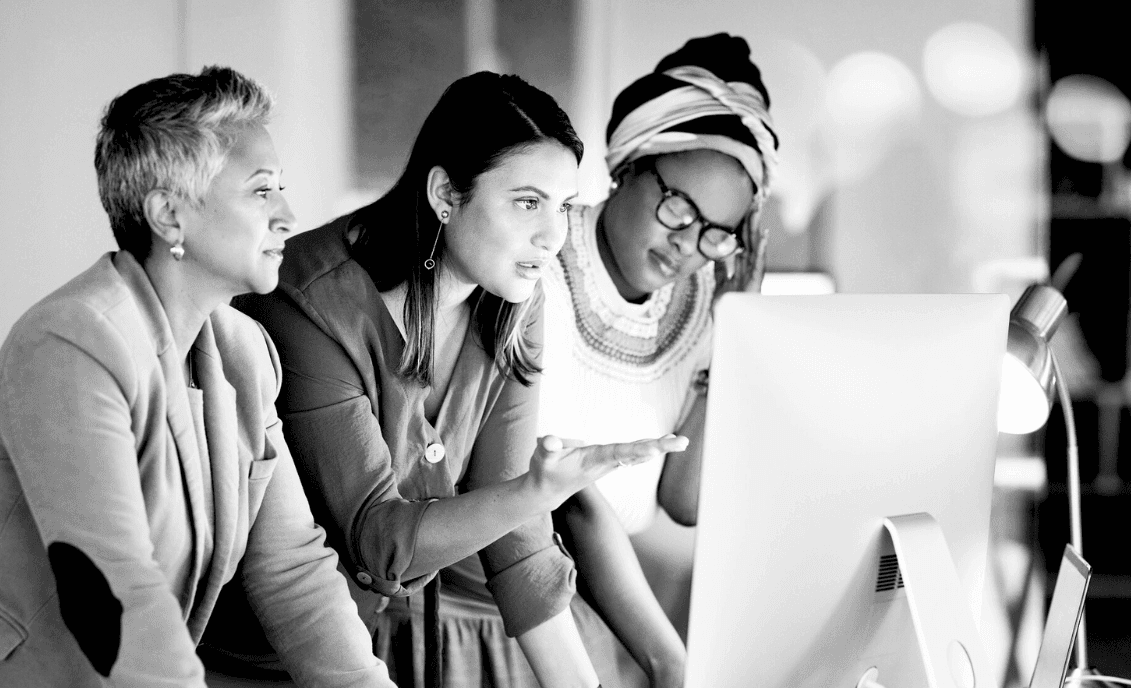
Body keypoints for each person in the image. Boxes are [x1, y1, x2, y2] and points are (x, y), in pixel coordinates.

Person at [0, 66, 393, 687]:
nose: (287, 215)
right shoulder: (72, 341)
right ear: (170, 216)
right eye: (261, 192)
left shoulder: (246, 351)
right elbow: (114, 587)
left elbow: (291, 568)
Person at [223, 71, 686, 688]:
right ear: (445, 193)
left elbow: (518, 544)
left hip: (365, 646)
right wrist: (536, 491)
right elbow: (379, 542)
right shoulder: (308, 304)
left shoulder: (514, 301)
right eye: (528, 202)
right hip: (254, 661)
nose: (553, 236)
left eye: (563, 206)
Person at [537, 33, 779, 687]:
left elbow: (685, 500)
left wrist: (735, 338)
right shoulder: (538, 259)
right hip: (509, 603)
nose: (687, 246)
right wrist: (667, 659)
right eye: (678, 209)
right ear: (629, 167)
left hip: (606, 608)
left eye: (715, 233)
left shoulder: (705, 301)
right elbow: (566, 500)